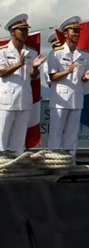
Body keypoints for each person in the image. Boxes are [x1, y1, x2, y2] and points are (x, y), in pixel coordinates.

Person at [45, 16, 89, 156]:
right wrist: (67, 71)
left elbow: (81, 78)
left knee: (72, 135)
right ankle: (53, 162)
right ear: (65, 33)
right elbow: (52, 77)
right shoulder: (56, 53)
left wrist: (85, 78)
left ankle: (69, 161)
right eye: (73, 31)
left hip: (76, 99)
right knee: (56, 134)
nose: (77, 34)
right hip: (60, 100)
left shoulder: (83, 54)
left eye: (78, 31)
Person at [0, 14, 44, 156]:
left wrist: (36, 68)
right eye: (22, 30)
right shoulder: (3, 51)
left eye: (26, 30)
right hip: (7, 100)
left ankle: (15, 162)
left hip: (24, 98)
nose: (25, 33)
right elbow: (2, 72)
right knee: (2, 135)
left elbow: (33, 76)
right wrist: (19, 64)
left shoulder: (32, 52)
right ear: (13, 32)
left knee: (19, 138)